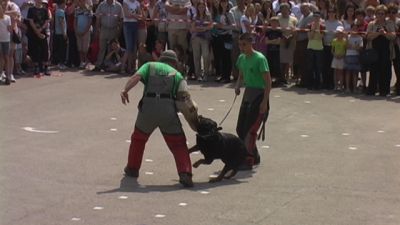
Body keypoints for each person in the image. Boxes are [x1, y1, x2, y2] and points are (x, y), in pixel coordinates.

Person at [120, 50, 195, 187]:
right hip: (168, 110)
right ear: (174, 62)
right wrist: (194, 120)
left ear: (161, 60)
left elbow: (136, 77)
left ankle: (132, 168)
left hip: (148, 108)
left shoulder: (150, 66)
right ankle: (185, 173)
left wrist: (125, 90)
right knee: (178, 143)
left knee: (138, 139)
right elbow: (185, 100)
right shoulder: (178, 75)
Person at [234, 33, 272, 170]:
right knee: (240, 129)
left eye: (244, 44)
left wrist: (264, 102)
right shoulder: (241, 58)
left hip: (259, 94)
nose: (242, 47)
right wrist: (238, 85)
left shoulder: (260, 59)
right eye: (240, 44)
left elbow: (268, 82)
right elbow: (241, 74)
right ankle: (254, 155)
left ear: (251, 43)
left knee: (249, 130)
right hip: (248, 93)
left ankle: (248, 160)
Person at [53, 0, 67, 70]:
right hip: (61, 33)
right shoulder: (61, 11)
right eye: (64, 4)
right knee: (62, 48)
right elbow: (62, 23)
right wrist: (64, 33)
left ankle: (58, 62)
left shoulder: (56, 11)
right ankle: (61, 63)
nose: (65, 5)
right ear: (62, 4)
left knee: (58, 48)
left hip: (57, 32)